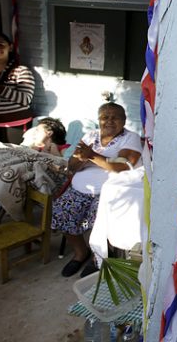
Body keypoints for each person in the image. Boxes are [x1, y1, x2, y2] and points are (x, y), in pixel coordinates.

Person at [52, 102, 142, 277]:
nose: (109, 121)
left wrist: (91, 155)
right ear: (99, 120)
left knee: (100, 223)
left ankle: (98, 258)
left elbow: (121, 166)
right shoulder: (91, 135)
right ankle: (81, 252)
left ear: (124, 121)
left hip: (110, 192)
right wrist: (83, 158)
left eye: (115, 117)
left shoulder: (131, 138)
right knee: (61, 211)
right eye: (104, 117)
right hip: (79, 189)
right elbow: (72, 165)